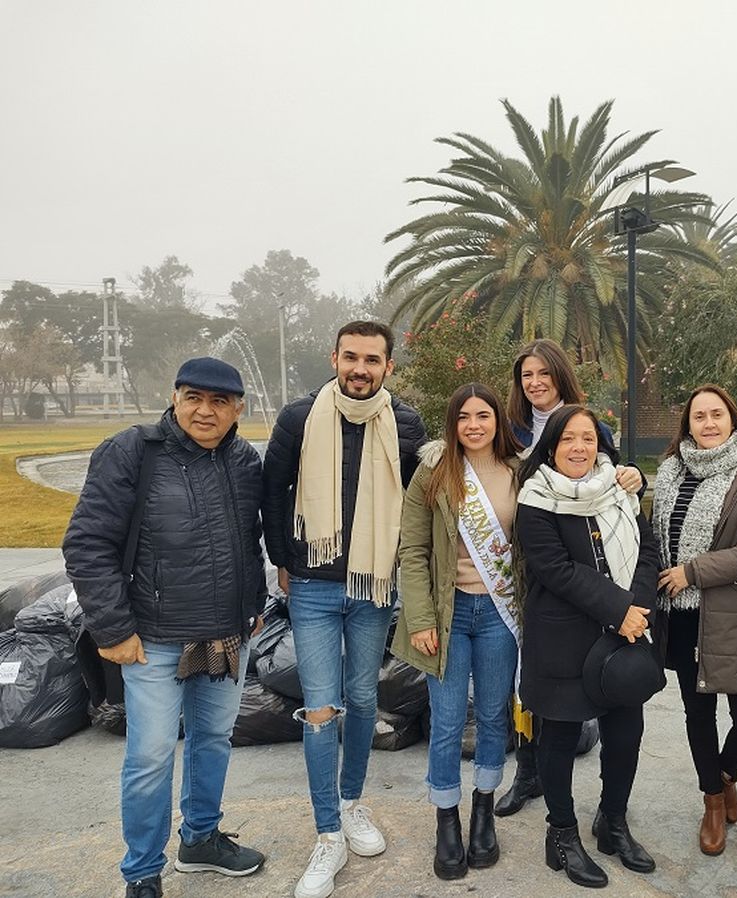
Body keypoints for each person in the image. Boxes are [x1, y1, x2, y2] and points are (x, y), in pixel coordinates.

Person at [63, 357, 267, 898]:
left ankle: (200, 839)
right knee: (151, 756)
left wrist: (255, 603)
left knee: (213, 741)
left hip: (225, 635)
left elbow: (248, 540)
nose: (205, 411)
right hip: (154, 637)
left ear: (238, 409)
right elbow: (87, 544)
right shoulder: (133, 451)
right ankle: (142, 872)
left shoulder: (245, 460)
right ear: (174, 397)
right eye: (194, 397)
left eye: (219, 402)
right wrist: (112, 629)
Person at [261, 321, 426, 898]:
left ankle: (352, 803)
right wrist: (283, 558)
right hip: (313, 584)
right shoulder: (298, 417)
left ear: (388, 367)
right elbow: (272, 489)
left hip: (373, 586)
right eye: (351, 357)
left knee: (362, 699)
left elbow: (419, 502)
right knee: (320, 707)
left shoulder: (406, 424)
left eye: (372, 360)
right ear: (334, 357)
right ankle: (327, 834)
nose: (360, 368)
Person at [515, 404, 661, 888]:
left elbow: (648, 550)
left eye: (588, 438)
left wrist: (635, 611)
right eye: (568, 439)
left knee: (625, 732)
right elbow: (555, 569)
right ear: (552, 447)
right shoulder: (535, 497)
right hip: (561, 639)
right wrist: (618, 610)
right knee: (557, 738)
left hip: (622, 636)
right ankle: (562, 835)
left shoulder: (620, 491)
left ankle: (612, 822)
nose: (579, 447)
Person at [498, 338, 641, 818]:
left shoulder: (591, 427)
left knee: (592, 702)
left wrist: (634, 476)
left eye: (544, 373)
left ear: (560, 374)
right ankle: (527, 773)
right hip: (521, 564)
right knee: (531, 678)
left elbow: (616, 483)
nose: (535, 383)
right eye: (526, 376)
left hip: (586, 578)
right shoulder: (511, 430)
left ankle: (605, 812)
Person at [393, 383, 522, 880]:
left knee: (492, 718)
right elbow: (412, 550)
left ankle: (483, 811)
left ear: (498, 420)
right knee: (446, 724)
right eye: (464, 415)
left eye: (483, 415)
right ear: (453, 422)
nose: (474, 424)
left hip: (498, 614)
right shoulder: (433, 471)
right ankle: (446, 818)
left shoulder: (518, 471)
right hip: (446, 616)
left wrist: (622, 476)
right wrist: (421, 618)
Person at [651, 384, 737, 857]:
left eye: (716, 415)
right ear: (687, 423)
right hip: (679, 618)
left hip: (731, 614)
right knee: (697, 713)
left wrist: (692, 572)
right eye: (698, 416)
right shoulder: (668, 472)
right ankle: (711, 800)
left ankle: (725, 775)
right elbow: (653, 537)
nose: (707, 423)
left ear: (732, 420)